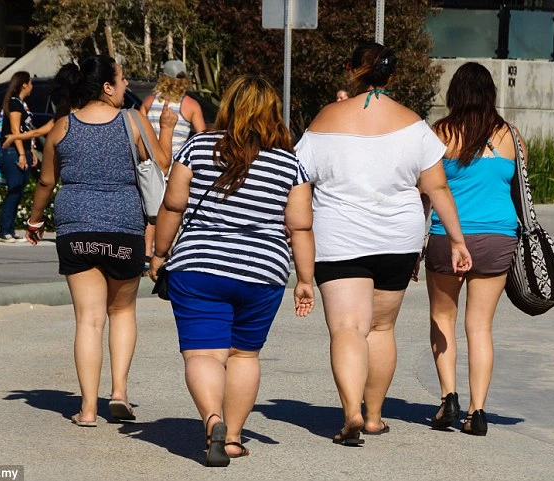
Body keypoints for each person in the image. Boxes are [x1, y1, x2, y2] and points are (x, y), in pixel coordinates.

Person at [294, 41, 472, 445]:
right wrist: (457, 241)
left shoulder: (324, 120)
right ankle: (374, 416)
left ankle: (351, 414)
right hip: (397, 240)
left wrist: (294, 234)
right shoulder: (414, 124)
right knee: (380, 327)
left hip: (339, 238)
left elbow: (299, 180)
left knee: (348, 327)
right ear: (392, 75)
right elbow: (437, 188)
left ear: (350, 70)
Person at [150, 74, 315, 467]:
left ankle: (212, 421)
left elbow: (173, 206)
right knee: (243, 355)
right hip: (263, 271)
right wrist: (305, 280)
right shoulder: (289, 163)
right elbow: (300, 227)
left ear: (228, 106)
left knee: (203, 353)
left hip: (199, 265)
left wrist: (159, 253)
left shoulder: (197, 147)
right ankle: (235, 438)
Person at [24, 55, 177, 427]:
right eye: (122, 79)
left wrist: (35, 218)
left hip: (76, 229)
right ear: (107, 87)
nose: (126, 85)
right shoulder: (133, 120)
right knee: (121, 312)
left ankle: (89, 409)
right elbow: (162, 164)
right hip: (124, 229)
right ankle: (119, 391)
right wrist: (167, 128)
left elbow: (46, 180)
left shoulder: (63, 126)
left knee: (88, 321)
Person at [423, 62, 524, 436]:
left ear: (455, 94)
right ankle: (477, 411)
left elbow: (426, 192)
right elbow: (522, 190)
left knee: (442, 317)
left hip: (448, 237)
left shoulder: (441, 134)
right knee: (480, 326)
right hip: (498, 238)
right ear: (489, 94)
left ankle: (448, 397)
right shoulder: (510, 136)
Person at [139, 59, 206, 268]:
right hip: (177, 167)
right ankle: (167, 252)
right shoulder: (190, 105)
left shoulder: (148, 101)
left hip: (151, 164)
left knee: (151, 208)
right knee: (172, 210)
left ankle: (146, 253)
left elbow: (139, 131)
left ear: (162, 78)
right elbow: (202, 137)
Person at [0, 71, 38, 242]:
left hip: (24, 151)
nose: (32, 86)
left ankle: (10, 229)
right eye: (30, 83)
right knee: (14, 190)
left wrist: (31, 151)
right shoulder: (14, 103)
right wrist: (21, 154)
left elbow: (26, 130)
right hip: (13, 151)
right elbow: (15, 130)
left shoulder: (22, 104)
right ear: (24, 84)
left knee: (19, 191)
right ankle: (4, 230)